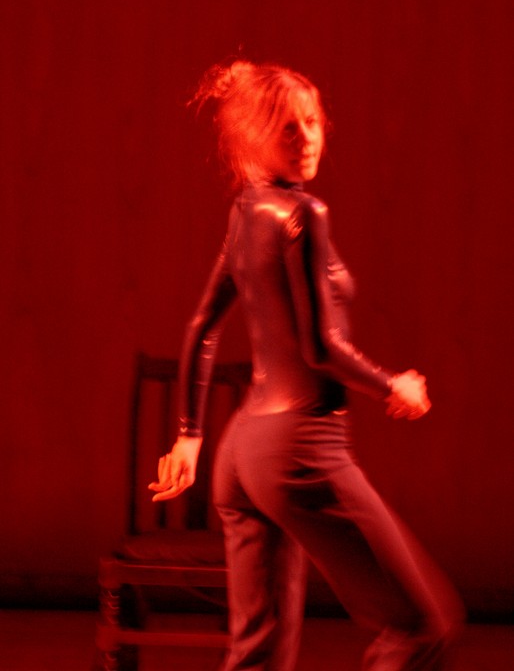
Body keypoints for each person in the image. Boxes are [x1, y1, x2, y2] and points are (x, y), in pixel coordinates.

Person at [149, 60, 463, 670]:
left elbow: (202, 325)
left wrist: (191, 436)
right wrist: (392, 384)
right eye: (288, 128)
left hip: (241, 457)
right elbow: (320, 347)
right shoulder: (303, 214)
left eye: (313, 122)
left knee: (259, 655)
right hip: (299, 450)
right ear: (255, 136)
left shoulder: (246, 210)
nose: (308, 138)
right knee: (424, 626)